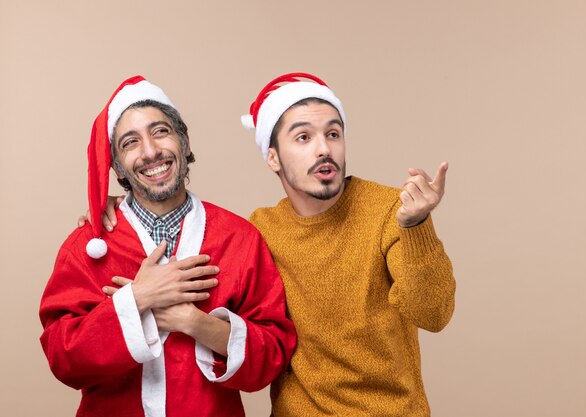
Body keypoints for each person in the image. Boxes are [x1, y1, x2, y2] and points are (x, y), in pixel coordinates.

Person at [93, 72, 456, 416]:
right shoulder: (260, 230)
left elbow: (433, 314)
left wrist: (417, 226)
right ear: (272, 157)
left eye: (333, 134)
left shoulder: (392, 210)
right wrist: (119, 209)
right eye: (303, 138)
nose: (323, 150)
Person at [41, 75, 296, 417]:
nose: (150, 151)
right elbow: (63, 358)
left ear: (185, 142)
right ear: (117, 166)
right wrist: (140, 298)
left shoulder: (239, 238)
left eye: (160, 131)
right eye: (130, 142)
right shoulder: (89, 243)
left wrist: (192, 321)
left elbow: (272, 357)